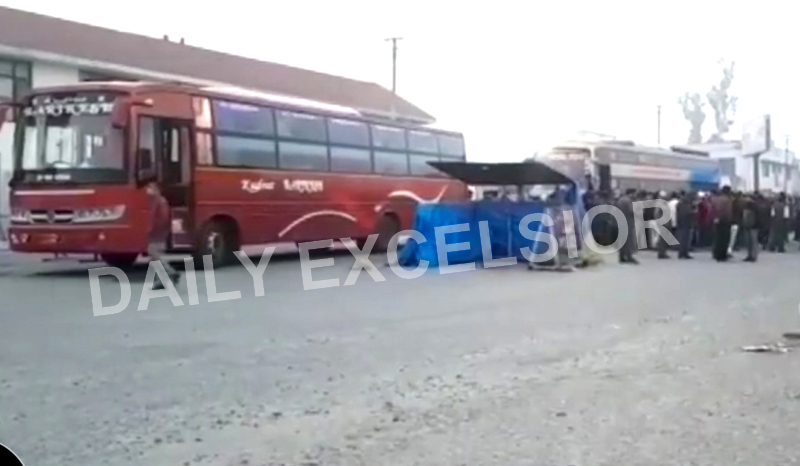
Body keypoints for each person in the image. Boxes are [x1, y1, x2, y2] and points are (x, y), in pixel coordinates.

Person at [147, 181, 181, 290]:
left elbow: (162, 218)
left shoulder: (160, 202)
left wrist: (154, 230)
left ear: (156, 190)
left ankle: (171, 272)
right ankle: (159, 281)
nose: (148, 191)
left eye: (150, 188)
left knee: (154, 255)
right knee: (154, 256)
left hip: (158, 233)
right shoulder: (156, 201)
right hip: (158, 232)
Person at [616, 188, 638, 264]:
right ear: (631, 193)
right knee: (629, 240)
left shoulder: (620, 200)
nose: (635, 195)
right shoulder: (628, 201)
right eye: (635, 193)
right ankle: (629, 256)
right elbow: (631, 211)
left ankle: (621, 256)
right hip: (628, 221)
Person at [711, 186, 733, 262]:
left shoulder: (716, 199)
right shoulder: (727, 200)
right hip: (725, 221)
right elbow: (727, 211)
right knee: (725, 238)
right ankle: (722, 255)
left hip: (716, 220)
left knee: (718, 237)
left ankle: (716, 253)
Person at [676, 191, 695, 259]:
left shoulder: (680, 203)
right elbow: (687, 213)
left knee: (683, 239)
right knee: (684, 239)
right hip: (685, 223)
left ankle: (683, 252)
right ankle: (683, 253)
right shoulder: (685, 205)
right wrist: (693, 212)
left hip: (682, 223)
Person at [742, 194, 760, 262]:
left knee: (752, 242)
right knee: (751, 242)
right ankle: (751, 255)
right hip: (751, 226)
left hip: (752, 226)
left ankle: (752, 255)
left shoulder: (754, 207)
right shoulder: (747, 207)